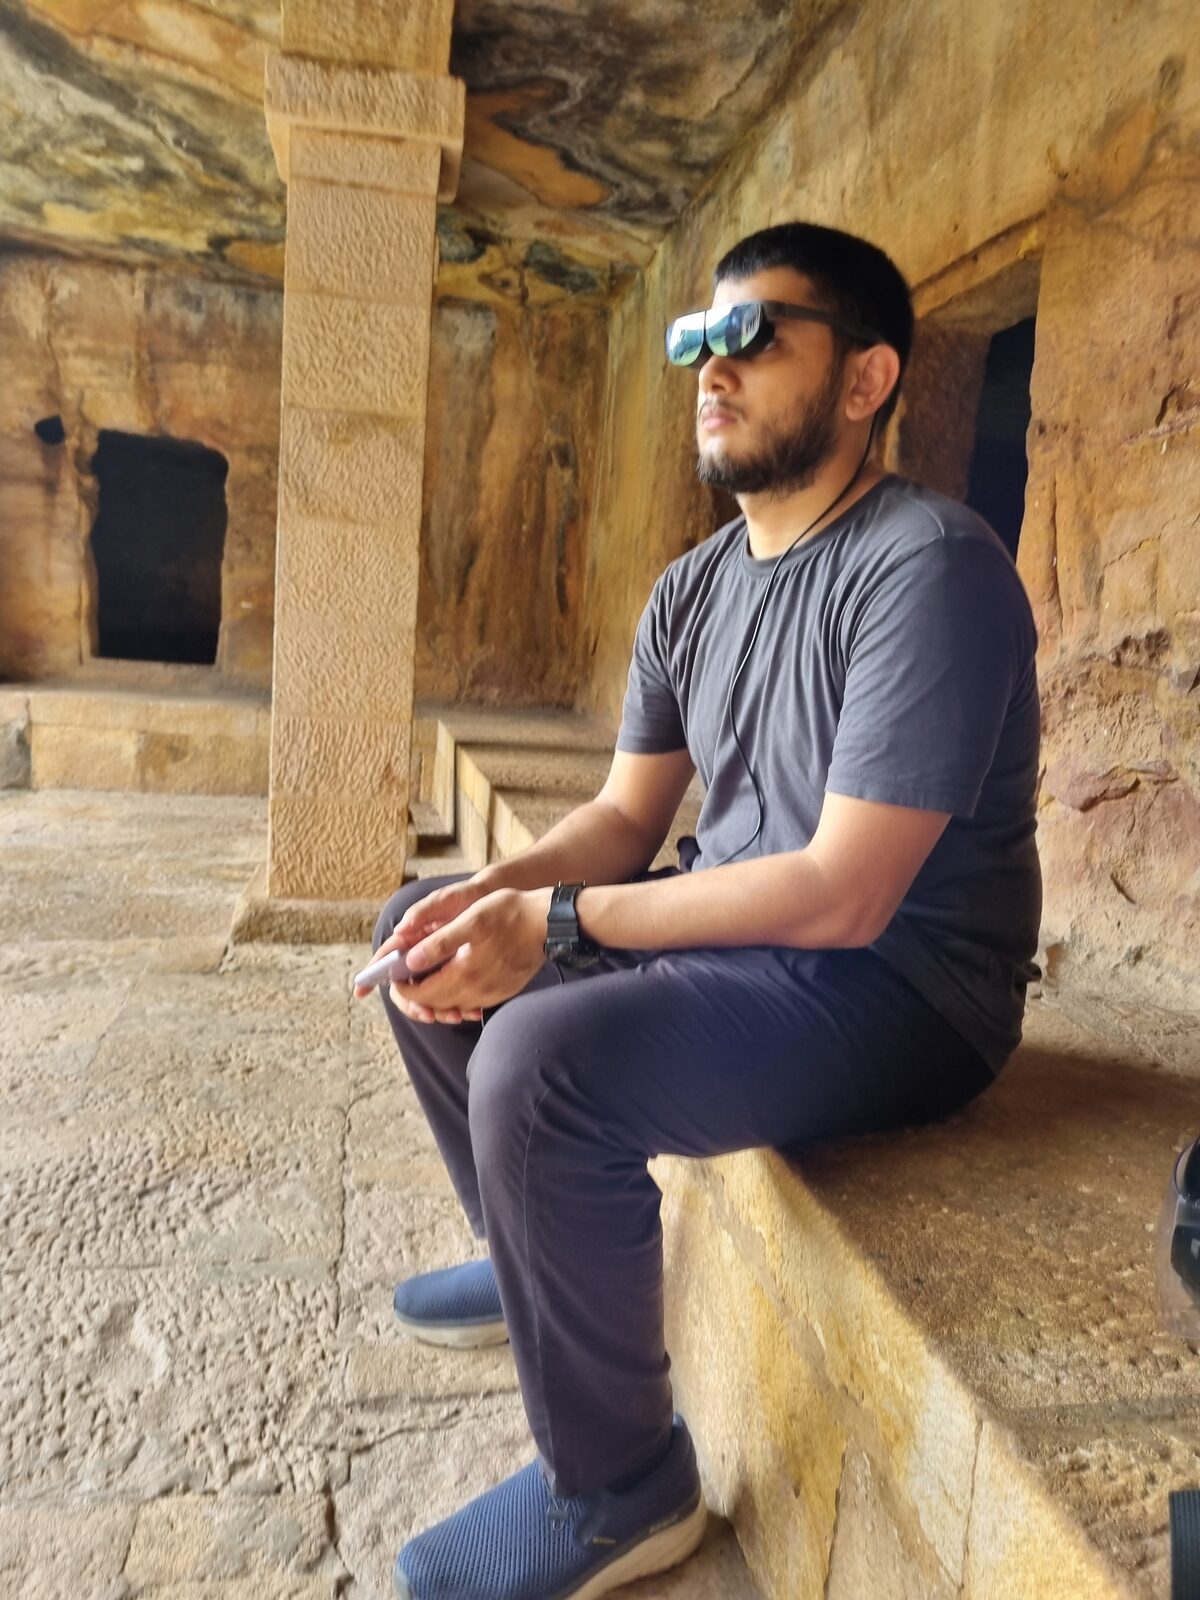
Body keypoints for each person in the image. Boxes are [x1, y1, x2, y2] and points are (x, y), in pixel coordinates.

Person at [357, 220, 1042, 1600]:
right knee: (425, 914)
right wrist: (490, 902)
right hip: (752, 936)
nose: (710, 370)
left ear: (866, 380)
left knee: (541, 1061)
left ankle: (624, 1493)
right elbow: (622, 823)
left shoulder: (931, 566)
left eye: (755, 335)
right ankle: (533, 1262)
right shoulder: (694, 586)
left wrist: (559, 930)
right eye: (696, 343)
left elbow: (846, 894)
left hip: (902, 991)